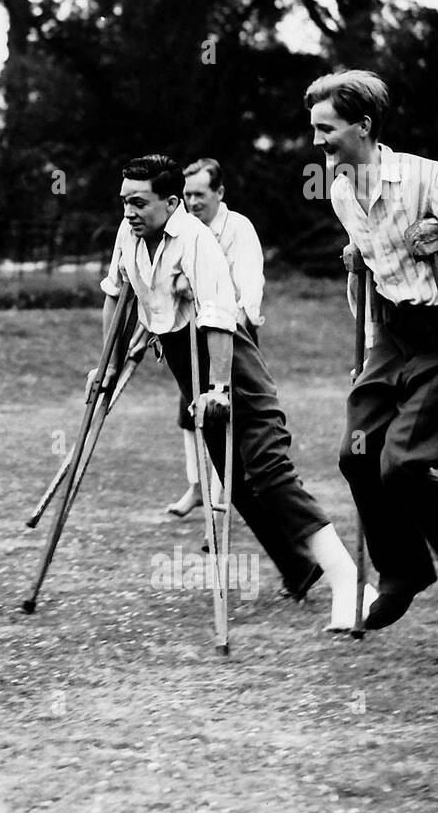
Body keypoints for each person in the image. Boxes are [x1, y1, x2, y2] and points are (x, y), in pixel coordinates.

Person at [96, 154, 375, 631]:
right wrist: (106, 363)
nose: (129, 212)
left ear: (170, 201)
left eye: (139, 203)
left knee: (269, 471)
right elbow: (116, 293)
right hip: (187, 368)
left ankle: (351, 583)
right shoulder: (130, 235)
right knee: (239, 483)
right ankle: (301, 568)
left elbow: (222, 316)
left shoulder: (197, 240)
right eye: (124, 202)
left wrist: (220, 387)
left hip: (231, 364)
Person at [306, 69, 438, 630]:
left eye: (326, 129)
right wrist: (370, 338)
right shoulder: (342, 189)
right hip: (393, 337)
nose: (318, 142)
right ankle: (402, 573)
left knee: (402, 465)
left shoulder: (436, 182)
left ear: (364, 126)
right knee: (357, 455)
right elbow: (373, 270)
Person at [166, 158, 266, 517]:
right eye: (186, 194)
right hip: (190, 333)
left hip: (231, 332)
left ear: (219, 193)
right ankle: (197, 488)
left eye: (200, 194)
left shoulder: (238, 229)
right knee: (188, 411)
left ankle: (225, 492)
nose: (192, 202)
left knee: (222, 410)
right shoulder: (183, 230)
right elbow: (171, 281)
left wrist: (234, 326)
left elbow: (249, 285)